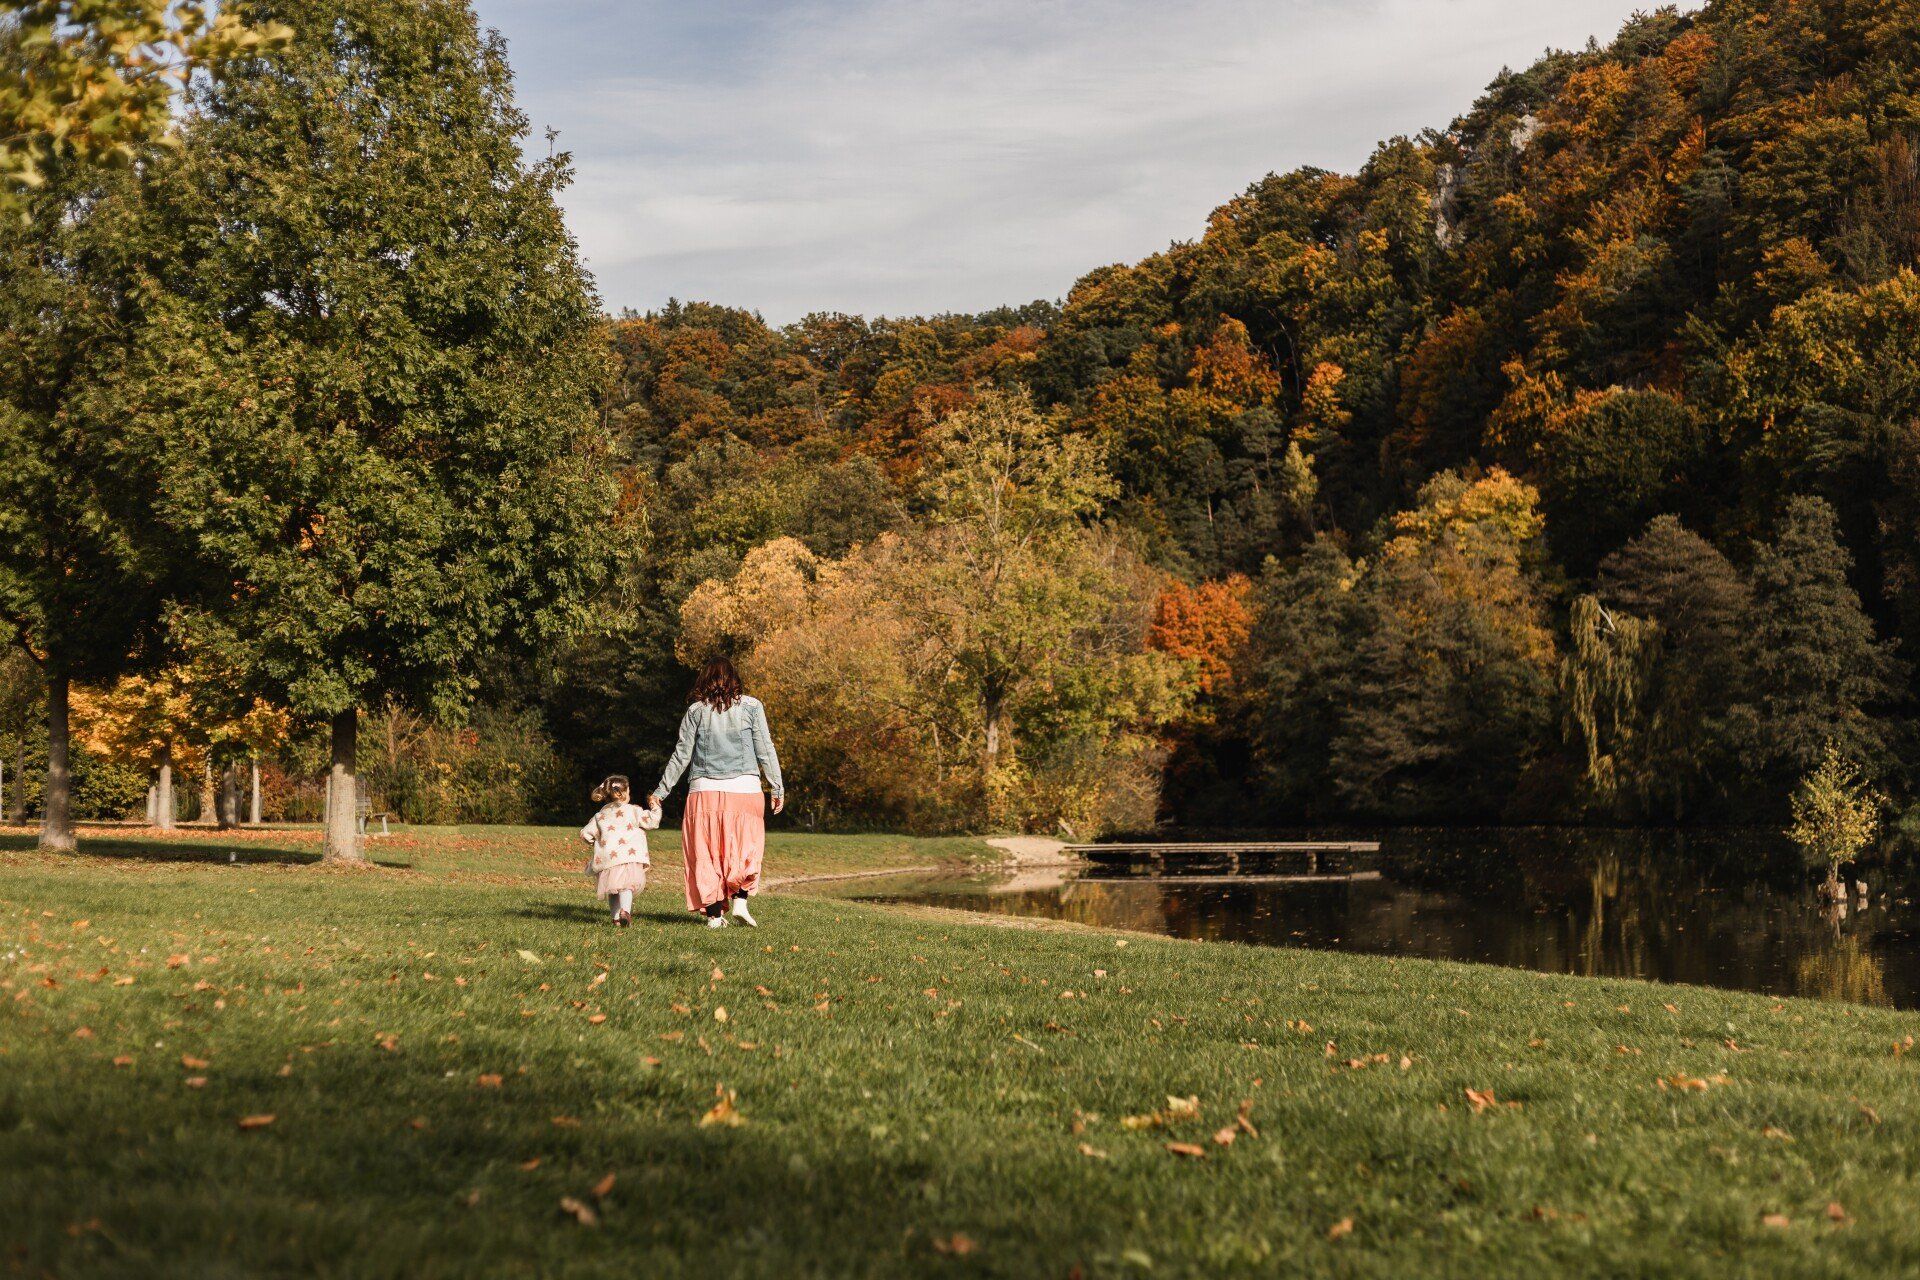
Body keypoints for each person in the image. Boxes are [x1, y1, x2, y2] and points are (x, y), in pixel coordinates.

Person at [649, 657, 784, 929]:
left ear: (705, 680)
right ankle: (741, 901)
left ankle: (714, 916)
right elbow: (765, 749)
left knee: (706, 853)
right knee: (745, 848)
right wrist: (776, 787)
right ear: (734, 678)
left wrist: (661, 791)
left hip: (704, 791)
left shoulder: (695, 711)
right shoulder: (752, 706)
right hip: (745, 789)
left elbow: (682, 754)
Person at [578, 775, 660, 928]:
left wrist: (593, 841)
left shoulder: (600, 815)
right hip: (628, 856)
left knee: (613, 889)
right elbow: (652, 821)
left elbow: (585, 833)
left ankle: (615, 919)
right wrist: (655, 806)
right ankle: (625, 911)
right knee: (626, 886)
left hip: (609, 858)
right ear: (626, 792)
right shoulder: (634, 810)